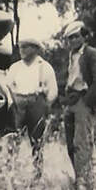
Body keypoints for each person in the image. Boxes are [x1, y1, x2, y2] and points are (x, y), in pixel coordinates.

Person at [61, 20, 96, 188]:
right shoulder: (72, 55)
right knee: (70, 143)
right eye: (69, 38)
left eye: (75, 37)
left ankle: (84, 181)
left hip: (84, 98)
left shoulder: (91, 53)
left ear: (83, 36)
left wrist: (88, 102)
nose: (72, 41)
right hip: (72, 99)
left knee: (81, 141)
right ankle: (79, 178)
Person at [7, 37, 58, 177]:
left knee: (37, 141)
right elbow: (8, 86)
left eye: (25, 47)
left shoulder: (44, 66)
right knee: (13, 139)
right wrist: (14, 102)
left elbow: (53, 90)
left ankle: (37, 175)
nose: (22, 50)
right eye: (21, 47)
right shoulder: (15, 67)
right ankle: (11, 173)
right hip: (18, 104)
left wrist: (45, 106)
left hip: (36, 103)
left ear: (35, 49)